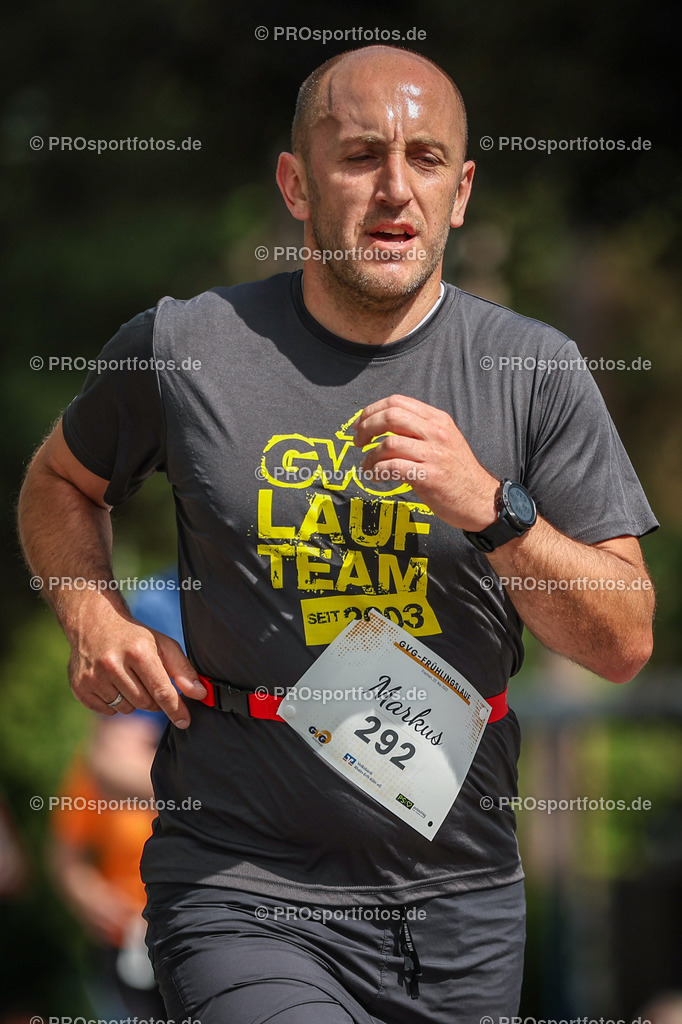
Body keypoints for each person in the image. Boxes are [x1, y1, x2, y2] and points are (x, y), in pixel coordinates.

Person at [17, 45, 657, 1024]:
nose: (395, 187)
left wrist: (491, 505)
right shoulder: (186, 345)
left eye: (426, 158)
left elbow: (622, 641)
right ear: (296, 182)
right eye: (359, 155)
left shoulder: (533, 369)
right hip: (239, 879)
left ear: (462, 190)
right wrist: (91, 616)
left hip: (459, 897)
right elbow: (59, 480)